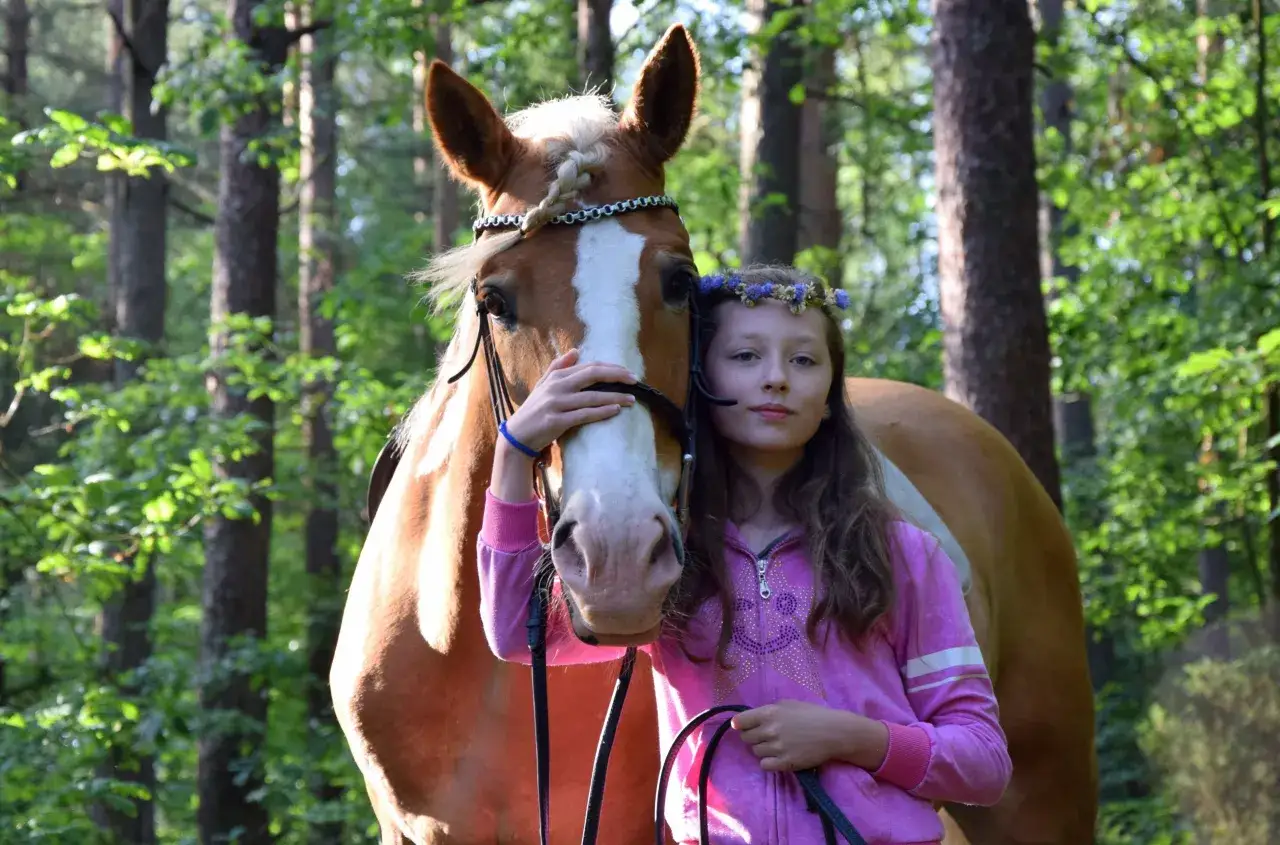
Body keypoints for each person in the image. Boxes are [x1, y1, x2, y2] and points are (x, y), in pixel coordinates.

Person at [476, 265, 1012, 845]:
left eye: (804, 361)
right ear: (698, 382)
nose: (777, 379)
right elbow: (515, 632)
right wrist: (512, 455)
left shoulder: (902, 554)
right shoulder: (664, 558)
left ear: (831, 397)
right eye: (746, 357)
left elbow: (983, 762)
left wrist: (853, 738)